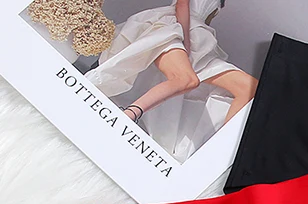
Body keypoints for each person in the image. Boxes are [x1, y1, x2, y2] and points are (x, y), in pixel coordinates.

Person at [86, 0, 257, 128]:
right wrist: (185, 40)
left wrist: (196, 42)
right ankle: (129, 114)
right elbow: (182, 4)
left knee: (250, 88)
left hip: (199, 38)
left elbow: (204, 21)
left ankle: (218, 151)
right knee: (185, 79)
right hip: (175, 28)